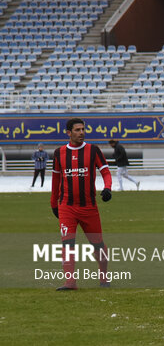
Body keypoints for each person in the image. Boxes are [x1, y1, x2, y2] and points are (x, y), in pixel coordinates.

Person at [51, 118, 113, 290]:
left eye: (83, 129)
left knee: (98, 244)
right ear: (68, 133)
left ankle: (104, 277)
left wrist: (107, 188)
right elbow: (56, 179)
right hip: (66, 207)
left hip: (89, 207)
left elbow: (106, 172)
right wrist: (53, 203)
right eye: (77, 130)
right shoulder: (59, 153)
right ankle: (70, 282)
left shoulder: (93, 150)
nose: (81, 132)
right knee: (67, 243)